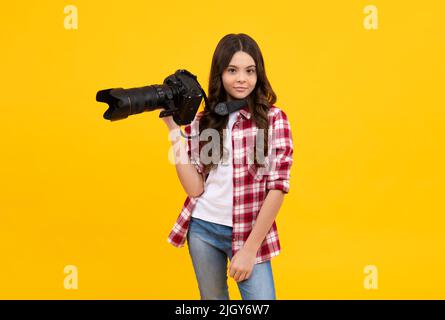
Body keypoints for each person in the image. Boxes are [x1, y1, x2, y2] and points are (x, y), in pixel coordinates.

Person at [161, 33, 294, 300]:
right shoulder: (205, 120)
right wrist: (174, 130)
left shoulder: (272, 119)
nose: (242, 78)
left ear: (259, 74)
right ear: (220, 74)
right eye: (232, 70)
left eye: (249, 71)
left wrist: (249, 249)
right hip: (203, 229)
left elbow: (277, 188)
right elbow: (195, 188)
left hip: (249, 232)